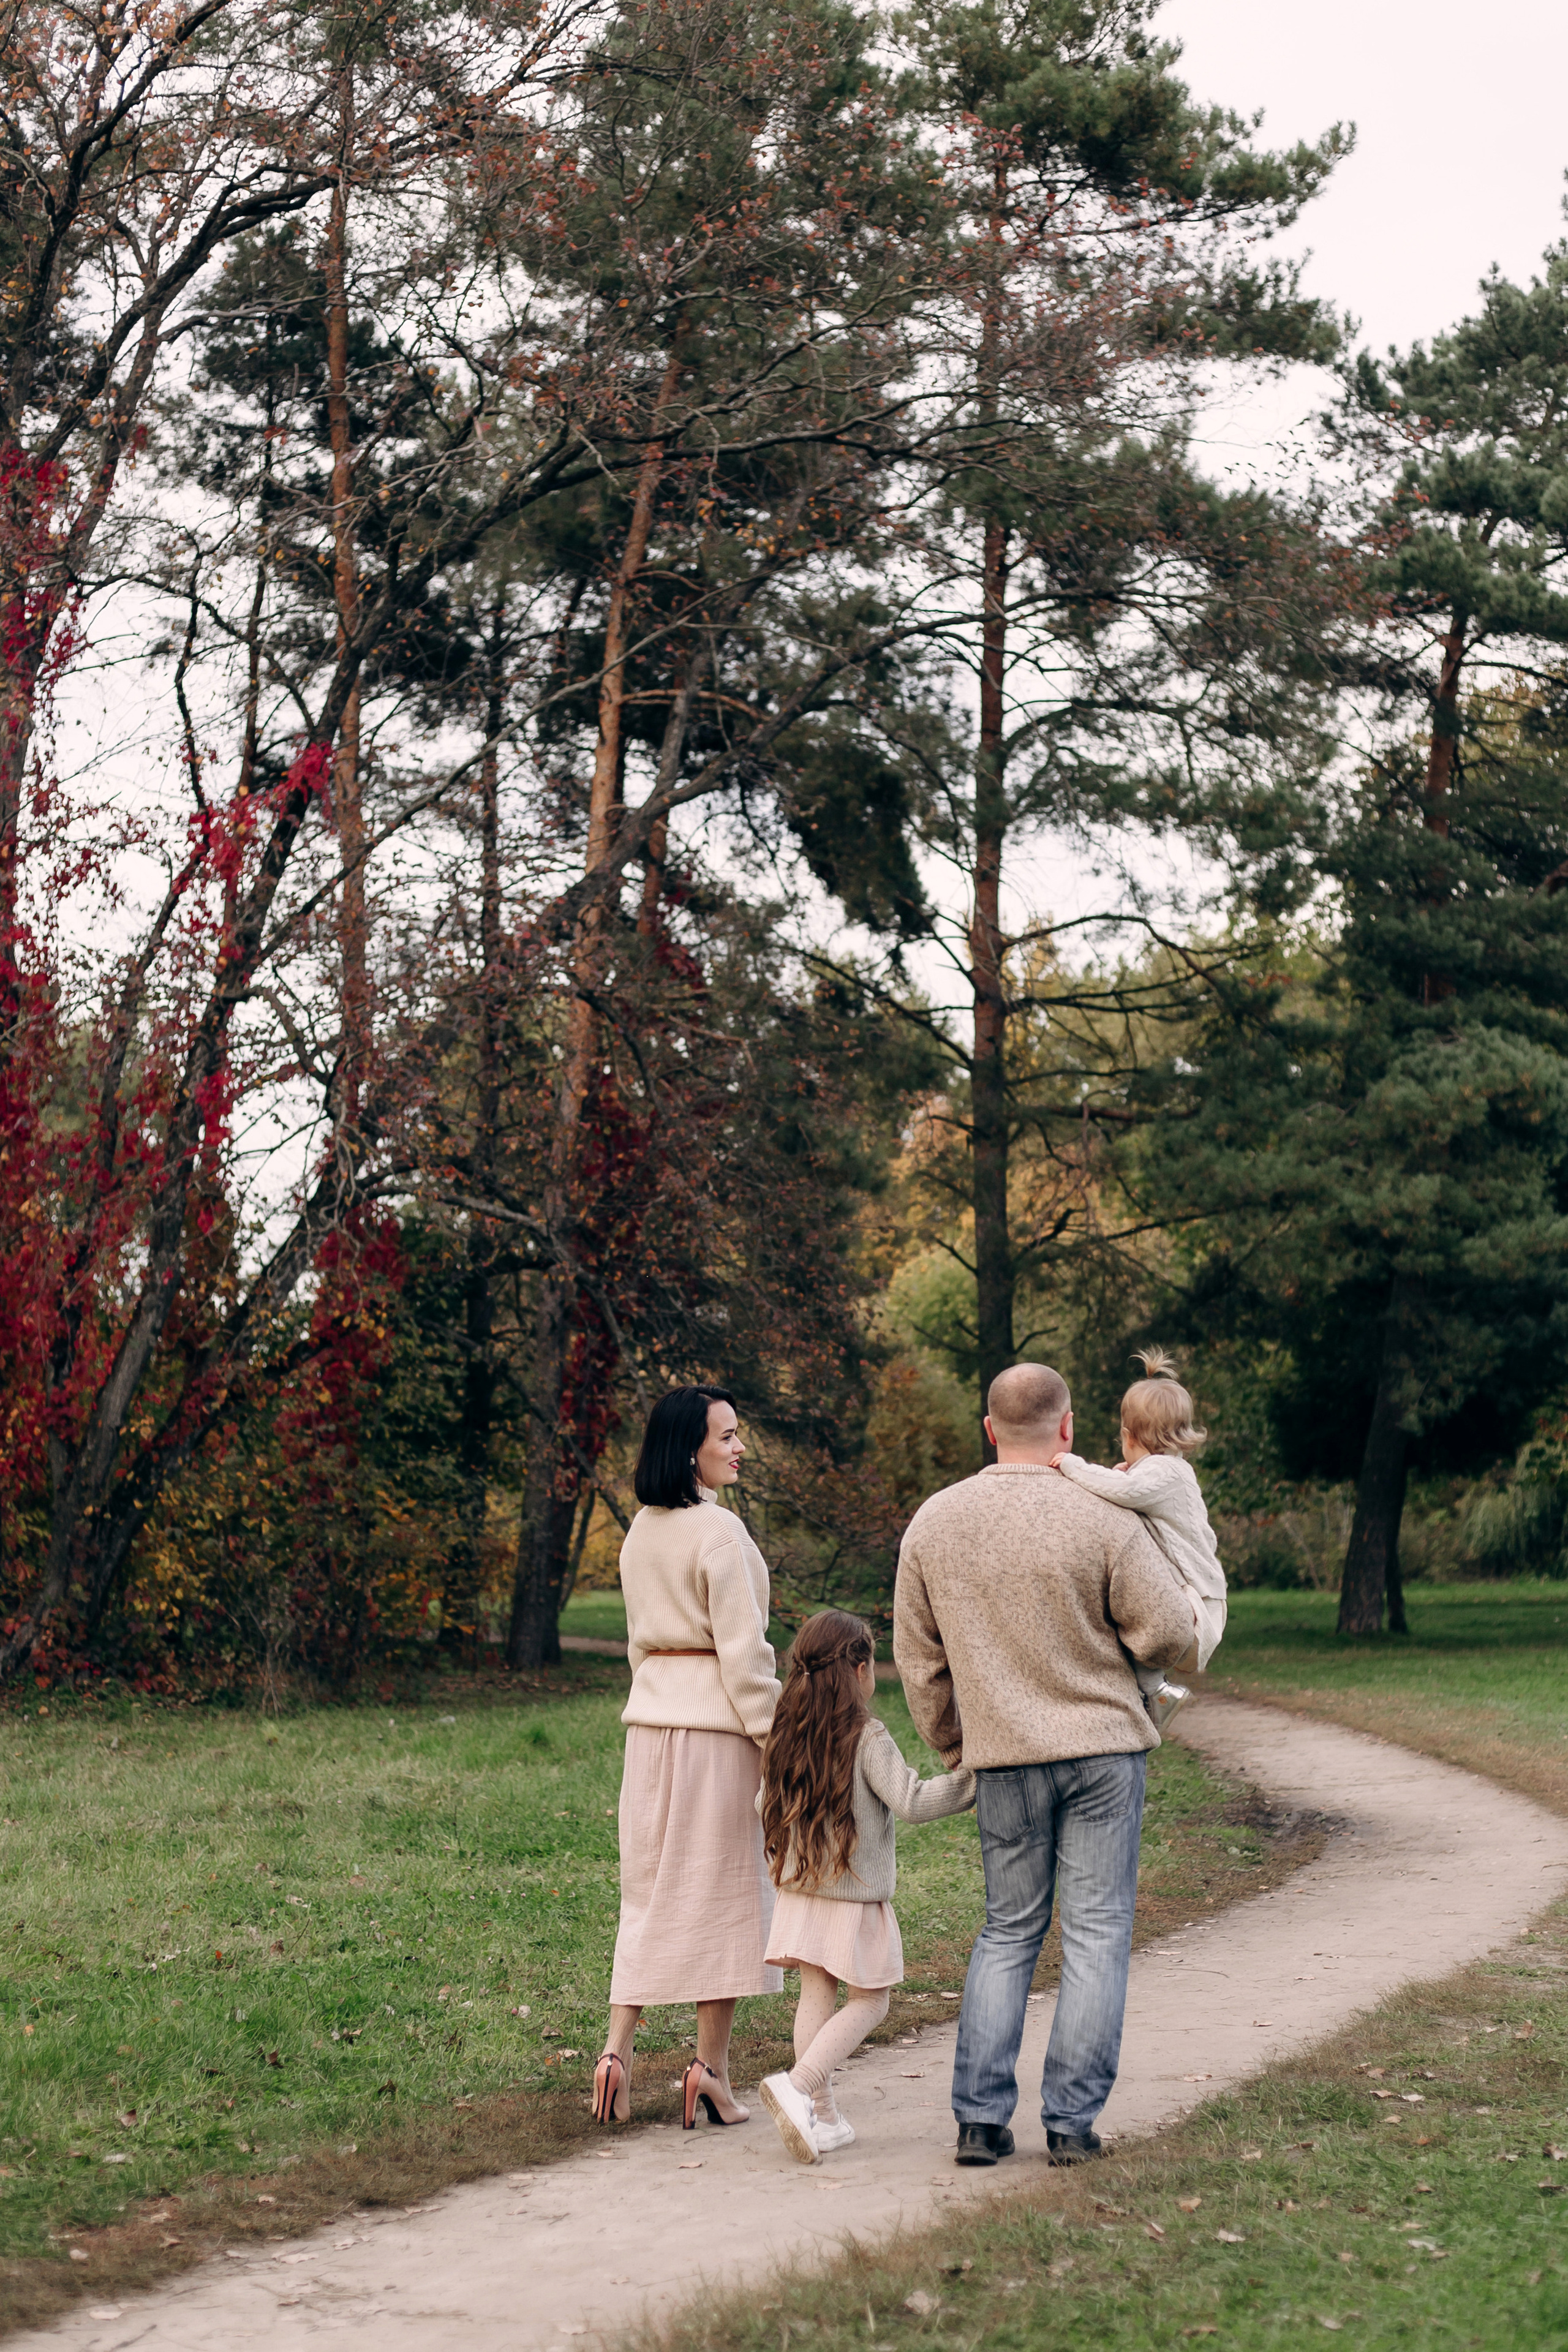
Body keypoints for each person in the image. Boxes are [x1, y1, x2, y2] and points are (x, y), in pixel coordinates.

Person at [893, 1361, 1196, 2169]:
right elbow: (1169, 1627)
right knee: (1097, 1934)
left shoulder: (935, 1521)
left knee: (1007, 1927)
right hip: (1103, 1750)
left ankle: (980, 2123)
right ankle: (1070, 2125)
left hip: (1007, 1758)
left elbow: (917, 1661)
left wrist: (959, 1743)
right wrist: (1134, 1660)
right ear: (1066, 1429)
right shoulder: (1100, 1513)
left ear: (990, 1429)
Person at [592, 1384, 782, 2133]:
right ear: (690, 1448)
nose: (738, 1449)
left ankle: (614, 2055)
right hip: (715, 1731)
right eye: (726, 1437)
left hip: (649, 1729)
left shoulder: (640, 1531)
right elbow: (745, 1658)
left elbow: (640, 1644)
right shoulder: (720, 1534)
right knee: (724, 1894)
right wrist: (777, 1739)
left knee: (646, 1891)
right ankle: (710, 2073)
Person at [755, 1609, 974, 2165]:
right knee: (872, 1999)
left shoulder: (787, 1729)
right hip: (851, 1898)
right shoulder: (866, 1735)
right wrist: (975, 1781)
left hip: (800, 1892)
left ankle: (823, 2119)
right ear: (857, 1669)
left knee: (816, 1996)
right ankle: (799, 2086)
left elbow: (763, 1804)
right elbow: (912, 1800)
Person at [1054, 1348, 1227, 1732]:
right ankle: (1158, 1694)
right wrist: (1124, 1476)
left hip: (1197, 1595)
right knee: (1132, 1635)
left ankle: (1158, 1693)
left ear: (1128, 1436)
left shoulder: (1166, 1473)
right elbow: (1131, 1493)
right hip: (1191, 1588)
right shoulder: (1165, 1471)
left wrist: (1072, 1464)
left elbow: (1123, 1494)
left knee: (1130, 1632)